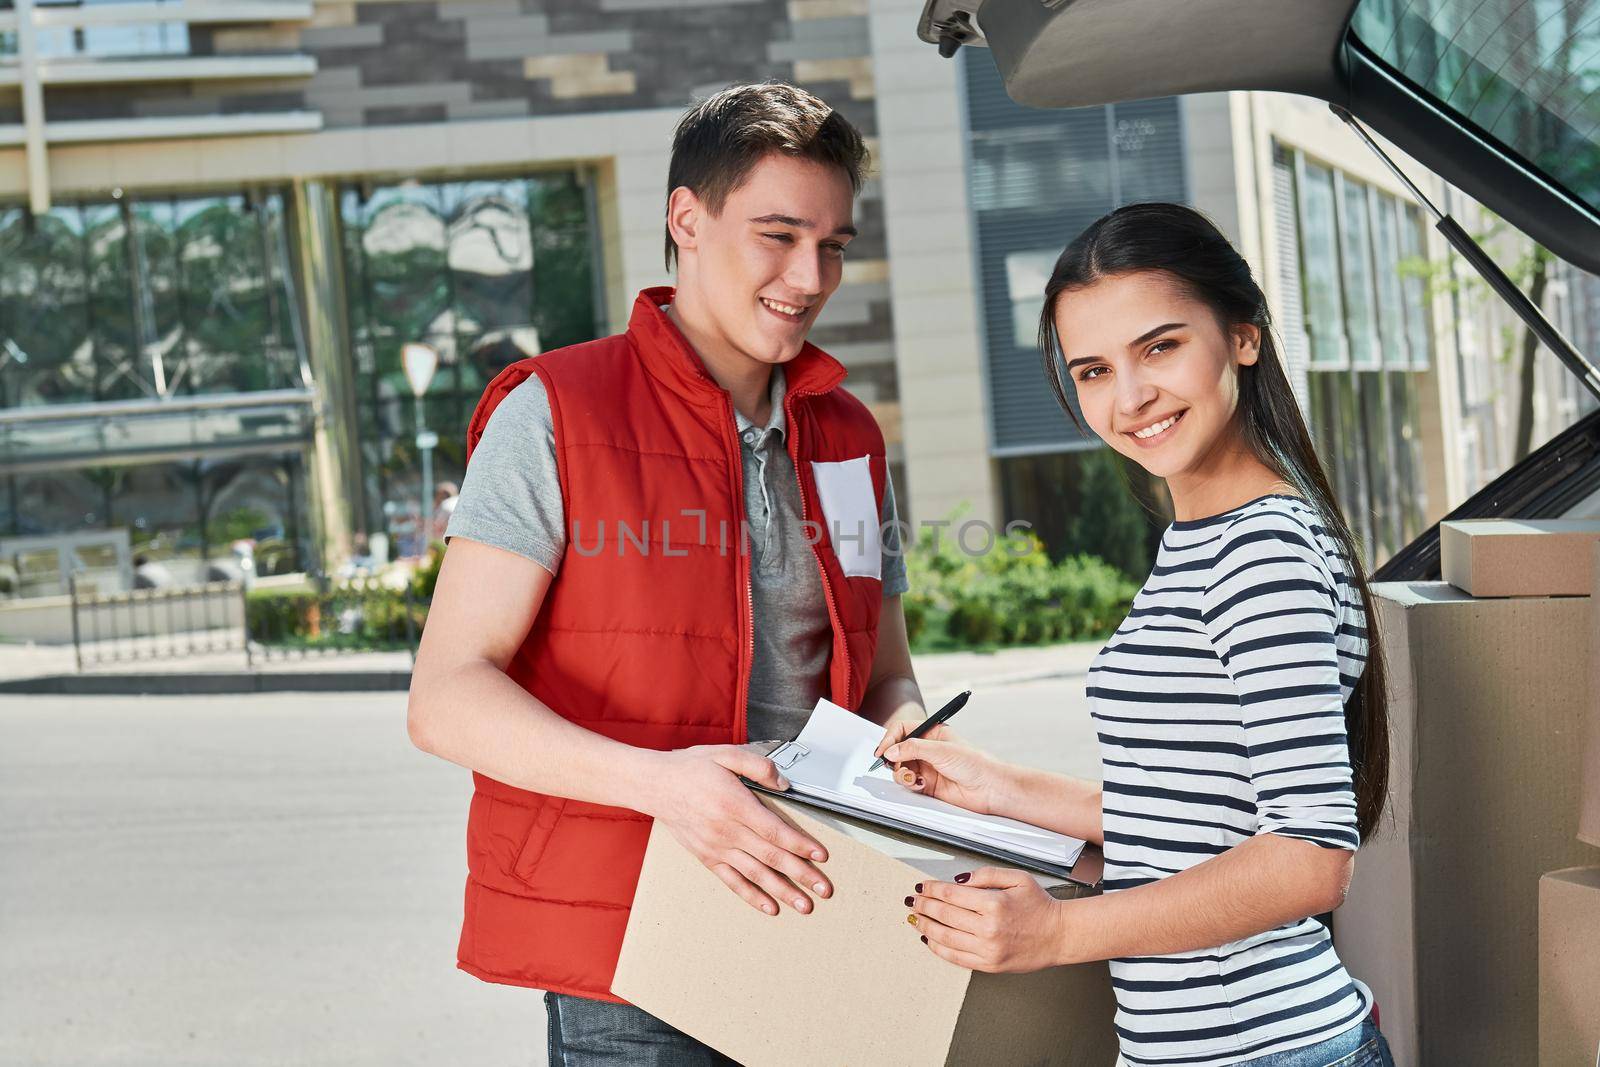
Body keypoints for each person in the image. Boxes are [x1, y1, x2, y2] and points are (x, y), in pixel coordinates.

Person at [407, 82, 924, 1065]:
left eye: (833, 244)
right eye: (777, 235)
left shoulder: (849, 436)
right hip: (631, 946)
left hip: (816, 906)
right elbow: (445, 696)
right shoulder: (557, 410)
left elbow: (882, 670)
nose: (809, 276)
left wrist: (904, 731)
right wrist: (664, 785)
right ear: (686, 219)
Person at [876, 203, 1395, 1067]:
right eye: (1092, 370)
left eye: (1160, 347)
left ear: (1243, 337)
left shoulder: (1261, 548)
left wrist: (1054, 933)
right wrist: (994, 785)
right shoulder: (1200, 537)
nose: (1130, 397)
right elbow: (1195, 818)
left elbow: (1309, 857)